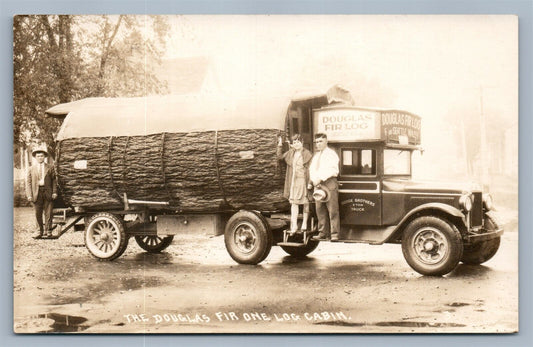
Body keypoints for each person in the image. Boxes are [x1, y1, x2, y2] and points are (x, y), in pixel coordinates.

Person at [277, 134, 313, 235]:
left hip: (303, 181)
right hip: (293, 181)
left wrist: (310, 183)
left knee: (305, 202)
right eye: (294, 142)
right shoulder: (290, 153)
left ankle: (304, 223)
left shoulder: (307, 154)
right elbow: (279, 157)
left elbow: (311, 170)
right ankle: (294, 225)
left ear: (302, 142)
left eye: (298, 142)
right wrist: (280, 144)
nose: (296, 144)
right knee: (294, 203)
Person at [309, 133, 340, 241]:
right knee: (320, 209)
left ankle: (334, 234)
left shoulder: (331, 154)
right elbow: (312, 170)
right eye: (317, 142)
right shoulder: (316, 156)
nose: (318, 144)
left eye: (321, 141)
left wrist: (320, 178)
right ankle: (322, 233)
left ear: (326, 141)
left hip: (329, 183)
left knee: (332, 210)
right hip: (318, 185)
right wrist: (314, 181)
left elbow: (332, 170)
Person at [25, 145, 57, 239]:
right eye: (38, 156)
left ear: (45, 157)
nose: (40, 157)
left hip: (48, 192)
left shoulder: (50, 167)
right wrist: (29, 195)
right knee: (37, 213)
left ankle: (48, 231)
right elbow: (28, 182)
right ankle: (39, 231)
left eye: (42, 156)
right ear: (35, 157)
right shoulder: (31, 169)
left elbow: (54, 181)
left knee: (49, 212)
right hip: (36, 192)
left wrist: (54, 192)